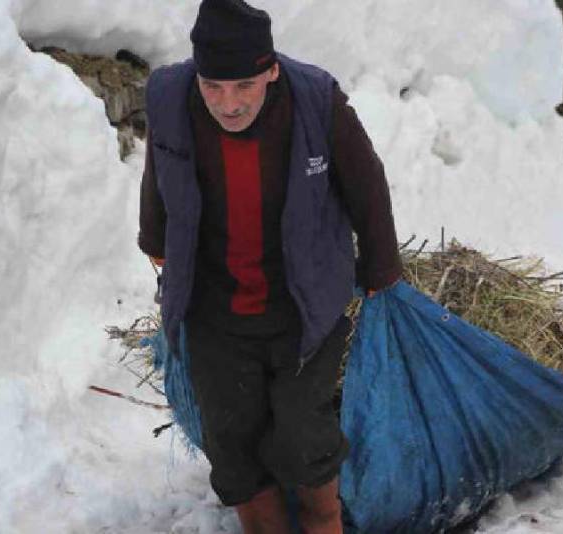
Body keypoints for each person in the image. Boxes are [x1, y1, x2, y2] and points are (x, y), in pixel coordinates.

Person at [137, 0, 401, 531]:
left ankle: (324, 522)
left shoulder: (314, 100)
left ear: (271, 70)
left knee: (304, 438)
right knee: (233, 446)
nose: (228, 104)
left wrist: (380, 270)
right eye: (213, 87)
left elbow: (365, 183)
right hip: (216, 309)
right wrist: (156, 238)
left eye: (244, 87)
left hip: (303, 304)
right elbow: (160, 167)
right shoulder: (169, 96)